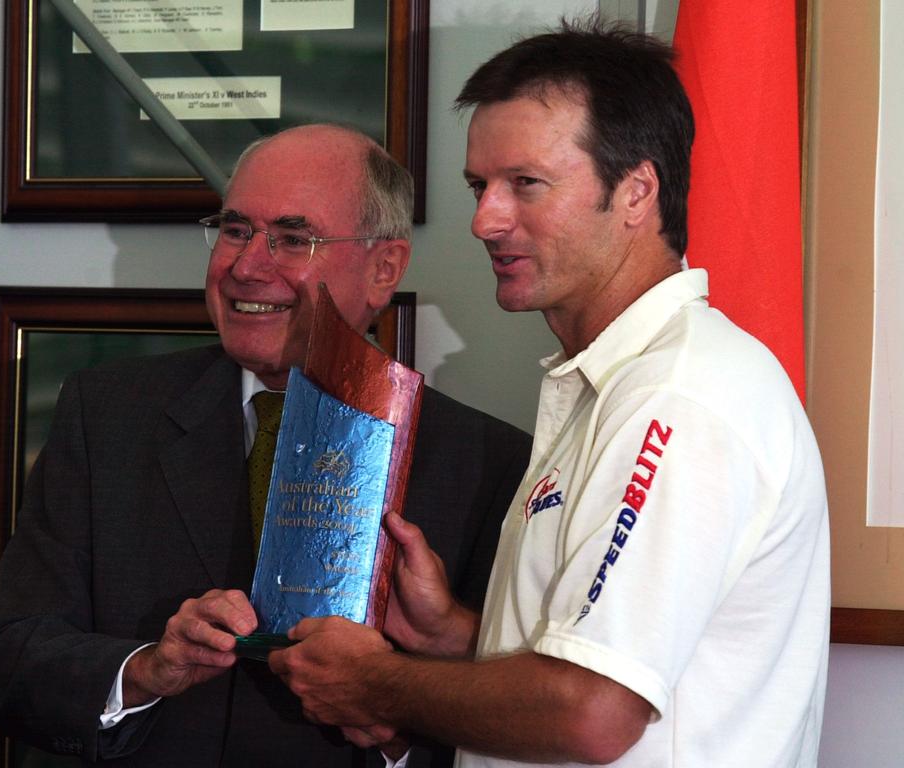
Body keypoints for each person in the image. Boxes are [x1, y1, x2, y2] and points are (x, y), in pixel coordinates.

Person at [267, 21, 831, 768]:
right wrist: (460, 636)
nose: (484, 220)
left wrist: (376, 683)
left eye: (525, 184)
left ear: (636, 191)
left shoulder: (678, 398)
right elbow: (626, 667)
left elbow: (592, 715)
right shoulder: (620, 381)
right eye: (479, 186)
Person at [0, 124, 532, 767]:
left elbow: (515, 720)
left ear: (384, 269)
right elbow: (3, 667)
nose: (246, 265)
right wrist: (146, 670)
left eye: (293, 239)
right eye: (235, 231)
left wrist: (395, 735)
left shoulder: (489, 462)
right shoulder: (105, 415)